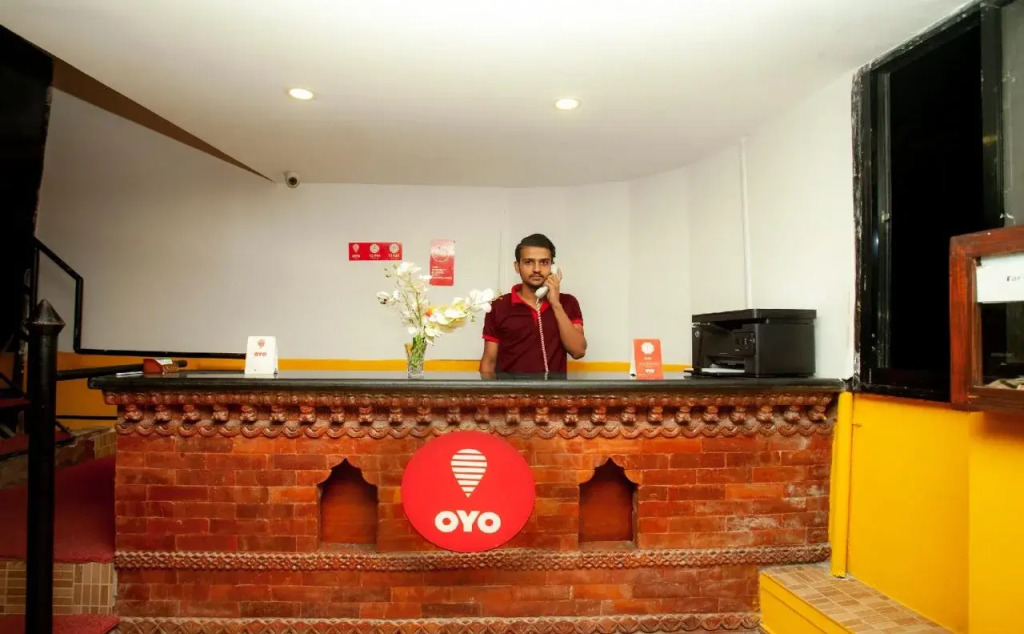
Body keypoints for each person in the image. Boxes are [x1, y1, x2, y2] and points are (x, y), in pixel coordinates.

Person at [479, 233, 587, 379]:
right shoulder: (499, 306)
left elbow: (578, 351)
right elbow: (488, 363)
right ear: (517, 266)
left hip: (554, 392)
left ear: (552, 266)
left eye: (544, 262)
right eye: (528, 262)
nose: (537, 269)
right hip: (510, 392)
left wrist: (555, 304)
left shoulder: (568, 302)